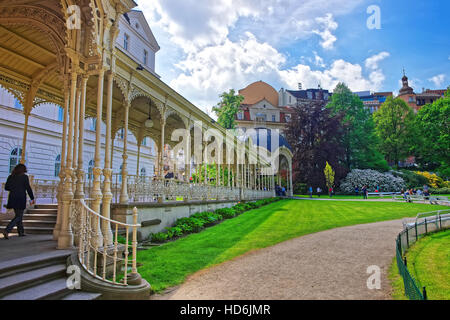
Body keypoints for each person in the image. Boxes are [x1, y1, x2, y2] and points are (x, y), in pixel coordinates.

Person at [3, 164, 35, 239]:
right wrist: (32, 198)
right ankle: (7, 230)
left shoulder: (11, 176)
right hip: (20, 198)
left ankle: (21, 232)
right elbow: (28, 188)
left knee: (19, 215)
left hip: (12, 197)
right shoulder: (24, 177)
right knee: (19, 216)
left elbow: (6, 187)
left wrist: (14, 188)